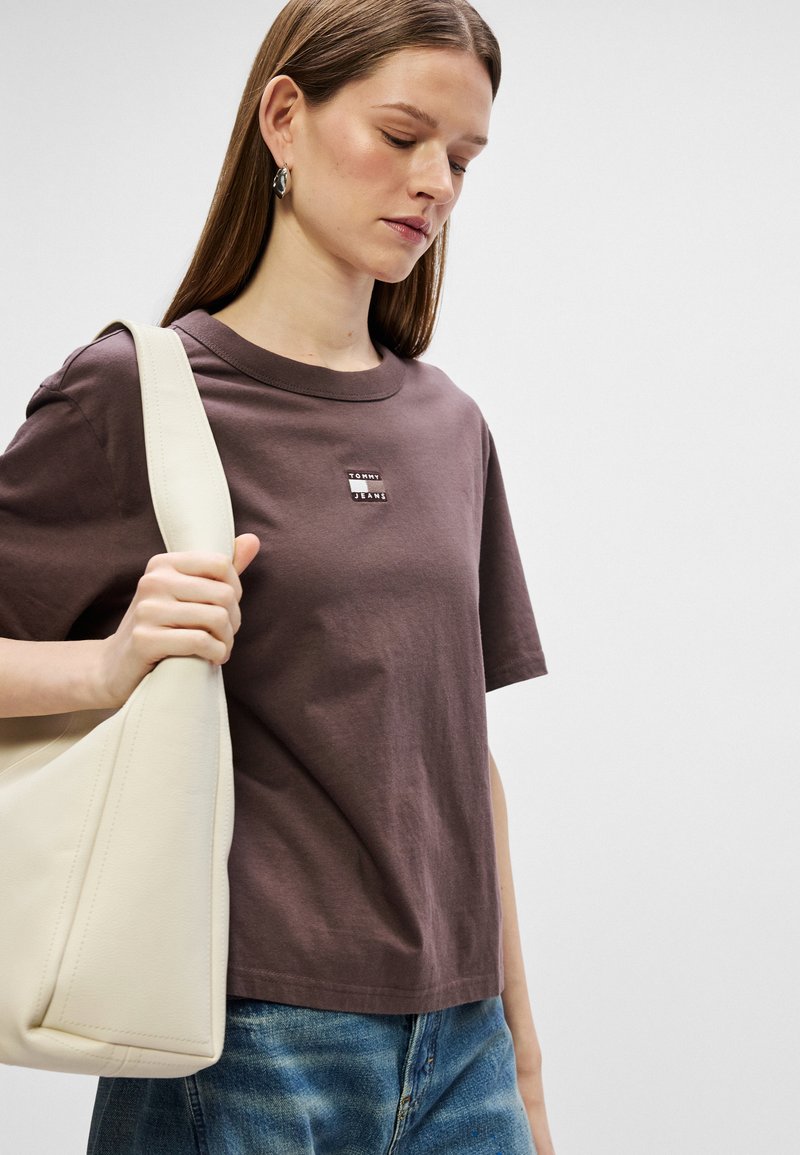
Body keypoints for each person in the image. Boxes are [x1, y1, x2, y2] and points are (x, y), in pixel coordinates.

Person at [0, 0, 557, 1151]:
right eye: (400, 135)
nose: (434, 184)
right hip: (241, 1036)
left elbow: (460, 755)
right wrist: (107, 665)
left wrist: (523, 1060)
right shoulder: (140, 394)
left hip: (462, 1052)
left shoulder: (449, 427)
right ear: (284, 118)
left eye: (460, 158)